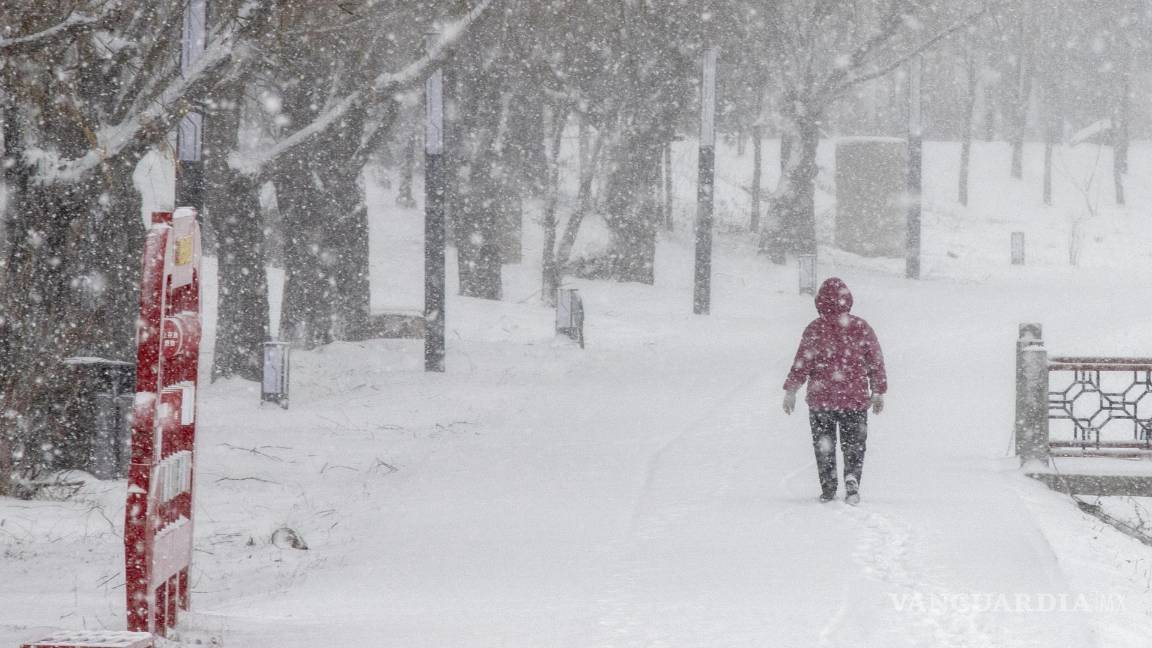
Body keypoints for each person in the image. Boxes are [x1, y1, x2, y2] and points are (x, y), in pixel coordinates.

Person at [782, 277, 886, 505]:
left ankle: (828, 487)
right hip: (855, 400)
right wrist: (878, 391)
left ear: (820, 302)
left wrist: (791, 390)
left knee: (824, 444)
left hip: (822, 401)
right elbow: (875, 362)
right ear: (847, 301)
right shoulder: (860, 327)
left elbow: (802, 363)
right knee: (854, 444)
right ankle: (852, 477)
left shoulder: (815, 329)